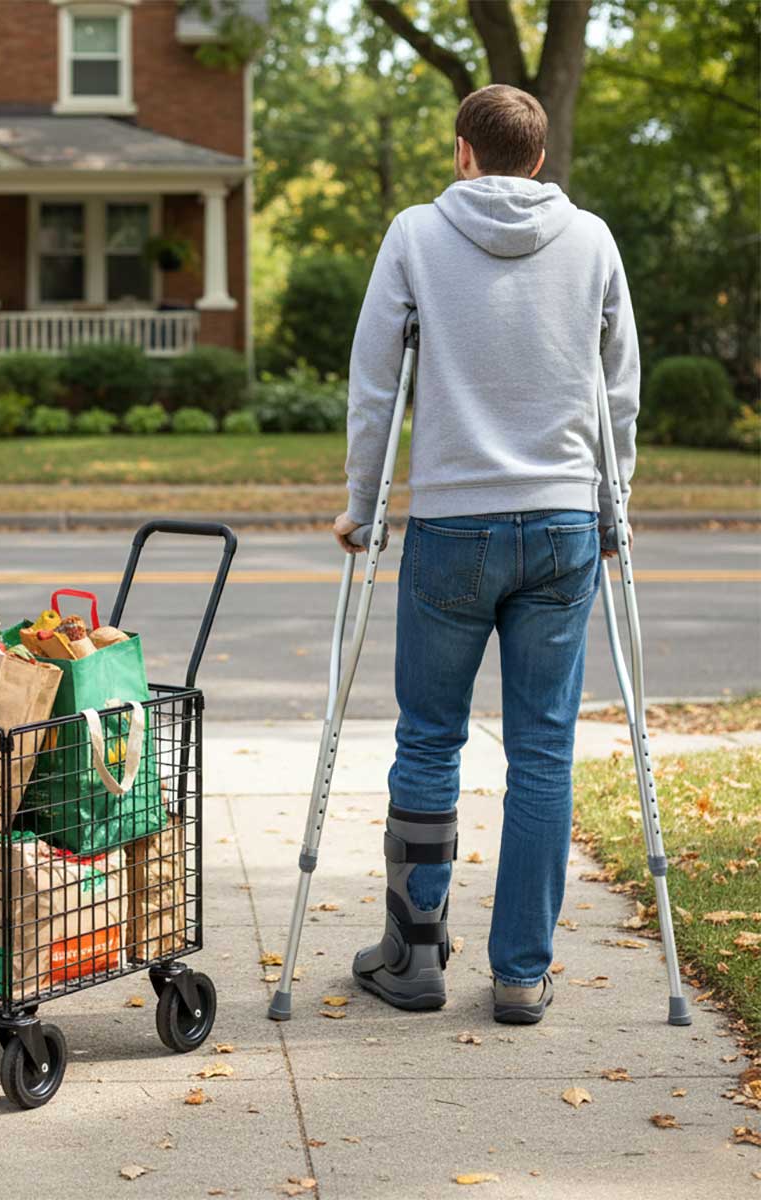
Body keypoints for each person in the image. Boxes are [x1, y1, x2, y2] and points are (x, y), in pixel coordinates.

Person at [334, 84, 639, 1025]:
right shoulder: (591, 239)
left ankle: (414, 955)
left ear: (463, 151)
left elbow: (375, 384)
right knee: (543, 749)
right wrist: (612, 501)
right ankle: (519, 974)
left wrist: (359, 506)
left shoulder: (416, 234)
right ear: (538, 160)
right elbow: (618, 389)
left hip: (453, 526)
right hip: (560, 526)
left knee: (430, 736)